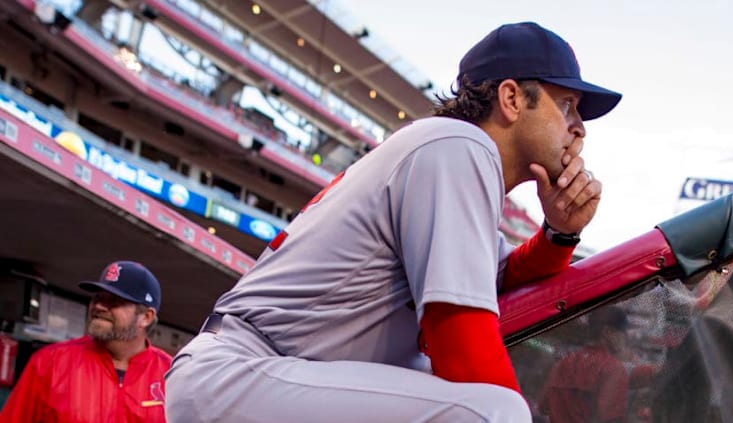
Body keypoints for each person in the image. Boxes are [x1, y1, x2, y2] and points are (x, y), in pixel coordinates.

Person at [165, 21, 622, 423]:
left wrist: (560, 232)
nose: (578, 126)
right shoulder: (458, 147)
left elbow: (509, 275)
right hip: (246, 372)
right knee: (494, 412)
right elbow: (458, 337)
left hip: (274, 379)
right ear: (511, 98)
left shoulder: (450, 157)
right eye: (566, 105)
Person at [0, 261, 172, 422]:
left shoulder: (172, 375)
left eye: (114, 301)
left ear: (146, 317)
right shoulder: (50, 362)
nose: (99, 306)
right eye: (98, 298)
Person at [539, 307, 631, 423]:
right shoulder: (613, 369)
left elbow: (543, 407)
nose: (626, 338)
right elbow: (609, 419)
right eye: (623, 332)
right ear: (608, 332)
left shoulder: (563, 363)